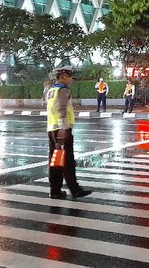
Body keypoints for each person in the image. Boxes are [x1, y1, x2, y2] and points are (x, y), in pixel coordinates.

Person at [46, 67, 92, 200]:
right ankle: (75, 190)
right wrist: (63, 130)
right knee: (68, 162)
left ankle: (55, 191)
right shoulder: (62, 90)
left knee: (55, 161)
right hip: (62, 130)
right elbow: (62, 109)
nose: (70, 79)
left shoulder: (51, 90)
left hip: (51, 129)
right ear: (61, 77)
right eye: (68, 76)